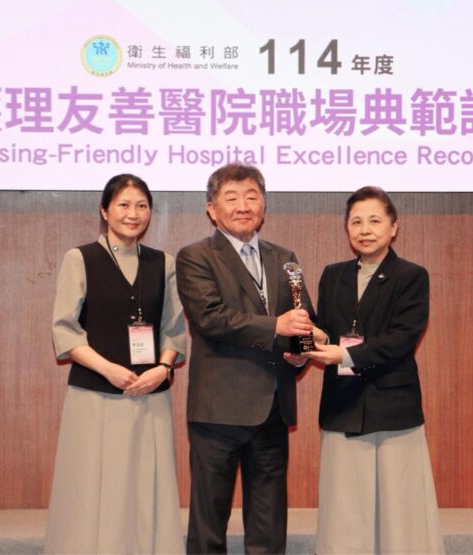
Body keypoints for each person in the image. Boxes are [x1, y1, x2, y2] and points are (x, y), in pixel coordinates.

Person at [176, 163, 315, 554]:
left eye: (252, 196)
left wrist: (301, 356)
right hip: (219, 410)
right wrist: (276, 326)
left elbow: (304, 317)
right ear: (211, 209)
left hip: (273, 409)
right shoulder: (195, 257)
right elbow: (210, 318)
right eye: (232, 197)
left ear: (263, 206)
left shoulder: (285, 258)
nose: (243, 206)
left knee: (269, 525)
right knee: (209, 524)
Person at [44, 174, 186, 554]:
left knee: (145, 488)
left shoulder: (163, 263)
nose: (133, 213)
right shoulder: (80, 259)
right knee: (91, 487)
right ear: (105, 211)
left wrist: (163, 369)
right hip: (95, 396)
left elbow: (174, 330)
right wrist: (107, 368)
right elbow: (65, 331)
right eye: (123, 204)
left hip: (149, 396)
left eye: (141, 205)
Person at [305, 186, 444, 554]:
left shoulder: (411, 276)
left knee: (400, 510)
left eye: (374, 221)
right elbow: (328, 329)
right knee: (345, 509)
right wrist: (315, 337)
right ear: (346, 228)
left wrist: (344, 355)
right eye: (356, 222)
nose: (364, 229)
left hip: (392, 407)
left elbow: (402, 338)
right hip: (343, 404)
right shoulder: (333, 275)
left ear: (393, 227)